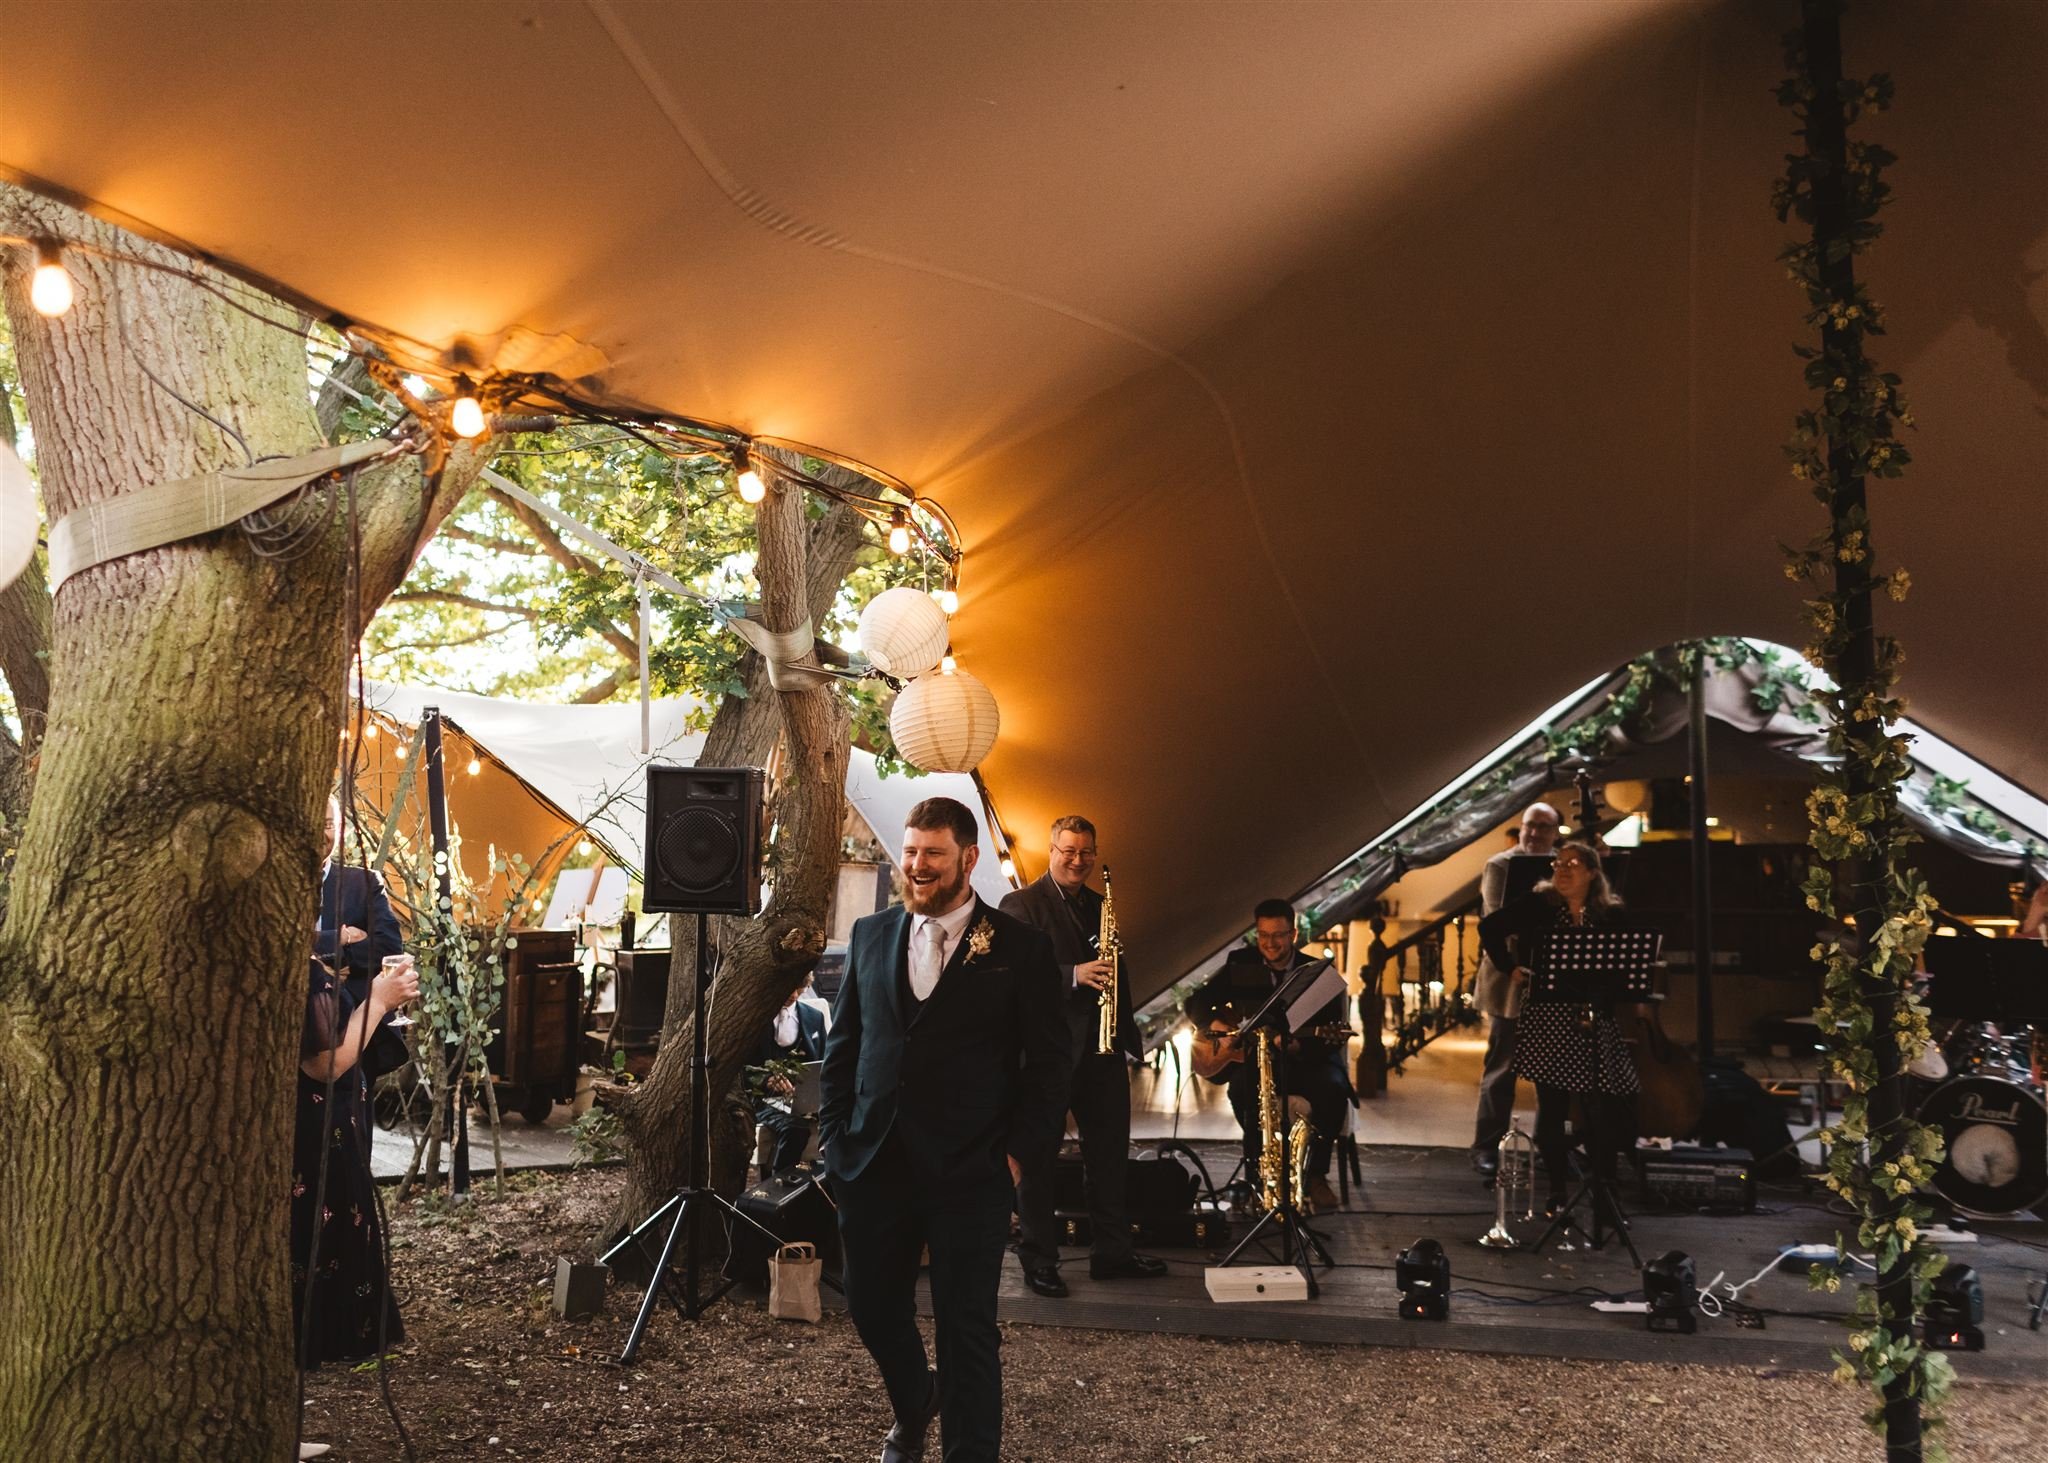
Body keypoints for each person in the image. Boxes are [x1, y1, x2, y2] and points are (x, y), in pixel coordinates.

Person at [819, 797, 1070, 1463]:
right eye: (909, 850)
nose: (916, 864)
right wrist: (836, 1142)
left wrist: (1018, 1158)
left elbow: (1050, 1065)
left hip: (972, 1170)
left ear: (968, 858)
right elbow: (844, 1048)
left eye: (931, 852)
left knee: (966, 1330)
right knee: (870, 1306)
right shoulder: (871, 935)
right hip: (873, 1162)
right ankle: (914, 1402)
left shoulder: (1020, 947)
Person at [1001, 815, 1166, 1298]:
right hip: (1049, 1056)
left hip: (1103, 1050)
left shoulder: (1100, 905)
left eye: (1086, 852)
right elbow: (1012, 974)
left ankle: (1112, 1253)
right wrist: (1074, 974)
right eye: (1068, 850)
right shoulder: (1021, 904)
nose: (1078, 860)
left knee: (1110, 1158)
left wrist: (1125, 1035)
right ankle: (1039, 1259)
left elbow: (1119, 974)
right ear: (1050, 850)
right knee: (1037, 1161)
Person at [1478, 841, 1639, 1213]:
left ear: (1593, 874)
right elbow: (1490, 927)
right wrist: (1509, 967)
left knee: (1605, 1105)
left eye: (1573, 864)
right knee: (1552, 1107)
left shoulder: (1609, 914)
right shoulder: (1539, 904)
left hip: (1595, 1018)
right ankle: (1556, 1192)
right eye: (1558, 863)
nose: (1563, 870)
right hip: (1548, 1018)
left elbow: (1626, 965)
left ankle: (1606, 1190)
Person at [292, 950, 418, 1393]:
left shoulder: (307, 962)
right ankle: (319, 1342)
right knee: (325, 1224)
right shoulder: (299, 970)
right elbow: (325, 1064)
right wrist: (378, 1002)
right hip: (316, 1129)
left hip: (334, 1121)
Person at [1187, 898, 1350, 1212]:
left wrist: (1300, 1045)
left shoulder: (1315, 974)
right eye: (1263, 935)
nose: (1270, 943)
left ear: (1293, 934)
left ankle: (1315, 1176)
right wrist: (1213, 1024)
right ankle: (1258, 1174)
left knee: (1333, 1088)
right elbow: (1194, 1003)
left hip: (1305, 1061)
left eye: (1278, 935)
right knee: (1241, 1090)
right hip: (1257, 1061)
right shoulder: (1240, 963)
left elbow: (1331, 1038)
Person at [1469, 801, 1561, 1179]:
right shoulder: (1501, 865)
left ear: (1555, 833)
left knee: (1552, 1072)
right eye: (1529, 826)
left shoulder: (1564, 865)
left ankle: (1548, 1147)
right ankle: (1486, 1147)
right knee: (1502, 1068)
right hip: (1510, 977)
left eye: (1543, 827)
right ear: (1520, 828)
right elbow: (1496, 919)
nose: (1535, 833)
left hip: (1551, 980)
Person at [315, 795, 408, 1081]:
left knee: (348, 1126)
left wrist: (328, 955)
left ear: (340, 830)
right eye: (316, 823)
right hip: (291, 1037)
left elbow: (388, 947)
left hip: (354, 1036)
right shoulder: (276, 883)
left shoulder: (363, 882)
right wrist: (340, 938)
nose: (322, 832)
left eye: (329, 824)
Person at [752, 985, 828, 1173]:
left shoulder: (815, 1017)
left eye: (800, 988)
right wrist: (765, 1079)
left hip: (808, 1098)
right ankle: (779, 1185)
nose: (794, 995)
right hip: (765, 1098)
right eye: (789, 989)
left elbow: (826, 1060)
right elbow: (741, 1067)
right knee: (795, 1130)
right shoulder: (757, 1018)